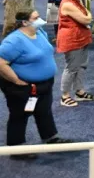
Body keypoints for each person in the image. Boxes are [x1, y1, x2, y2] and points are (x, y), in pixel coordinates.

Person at [0, 9, 72, 159]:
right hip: (23, 87)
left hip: (44, 84)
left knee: (44, 110)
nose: (40, 19)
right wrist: (17, 81)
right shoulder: (14, 41)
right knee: (20, 115)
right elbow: (1, 63)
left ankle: (50, 138)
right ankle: (16, 148)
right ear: (25, 22)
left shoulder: (40, 33)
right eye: (36, 17)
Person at [56, 0, 94, 107]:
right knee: (72, 67)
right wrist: (88, 16)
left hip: (81, 37)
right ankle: (65, 95)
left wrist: (87, 15)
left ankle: (79, 91)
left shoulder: (75, 0)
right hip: (72, 39)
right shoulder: (68, 3)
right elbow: (87, 19)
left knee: (82, 65)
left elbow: (86, 13)